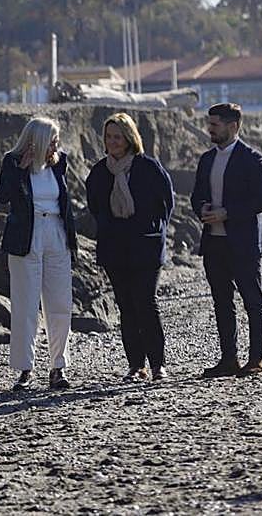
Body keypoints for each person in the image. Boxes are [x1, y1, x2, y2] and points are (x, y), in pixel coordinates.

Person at [85, 112, 174, 382]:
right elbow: (94, 207)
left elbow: (167, 203)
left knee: (146, 303)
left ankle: (158, 365)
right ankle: (136, 365)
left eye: (118, 136)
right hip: (115, 248)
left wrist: (153, 229)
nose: (113, 142)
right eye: (109, 137)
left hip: (145, 246)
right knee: (126, 306)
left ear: (129, 138)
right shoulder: (100, 172)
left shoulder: (148, 167)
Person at [190, 103, 262, 378]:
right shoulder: (207, 159)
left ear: (233, 126)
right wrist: (201, 208)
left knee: (252, 300)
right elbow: (196, 195)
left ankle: (256, 358)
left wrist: (228, 213)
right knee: (221, 302)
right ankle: (229, 359)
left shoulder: (252, 158)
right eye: (209, 123)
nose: (209, 129)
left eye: (215, 124)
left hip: (244, 242)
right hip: (214, 243)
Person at [0, 116, 77, 391]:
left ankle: (58, 366)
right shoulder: (12, 161)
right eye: (52, 140)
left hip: (56, 232)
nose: (56, 145)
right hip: (25, 236)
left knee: (59, 302)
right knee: (25, 304)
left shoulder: (60, 162)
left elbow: (66, 203)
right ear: (39, 141)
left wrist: (72, 241)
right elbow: (2, 197)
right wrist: (21, 169)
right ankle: (24, 369)